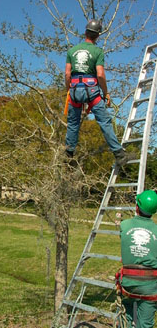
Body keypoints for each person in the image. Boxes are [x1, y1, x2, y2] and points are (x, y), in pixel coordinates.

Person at [65, 19, 132, 166]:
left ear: (85, 32)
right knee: (104, 122)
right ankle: (119, 154)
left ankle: (68, 157)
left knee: (73, 123)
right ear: (97, 36)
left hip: (75, 89)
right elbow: (100, 75)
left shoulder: (71, 51)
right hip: (92, 90)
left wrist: (68, 90)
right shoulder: (98, 51)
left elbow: (67, 74)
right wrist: (106, 93)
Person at [119, 190, 157, 328]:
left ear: (137, 207)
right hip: (150, 286)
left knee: (125, 318)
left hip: (128, 283)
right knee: (145, 324)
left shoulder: (124, 225)